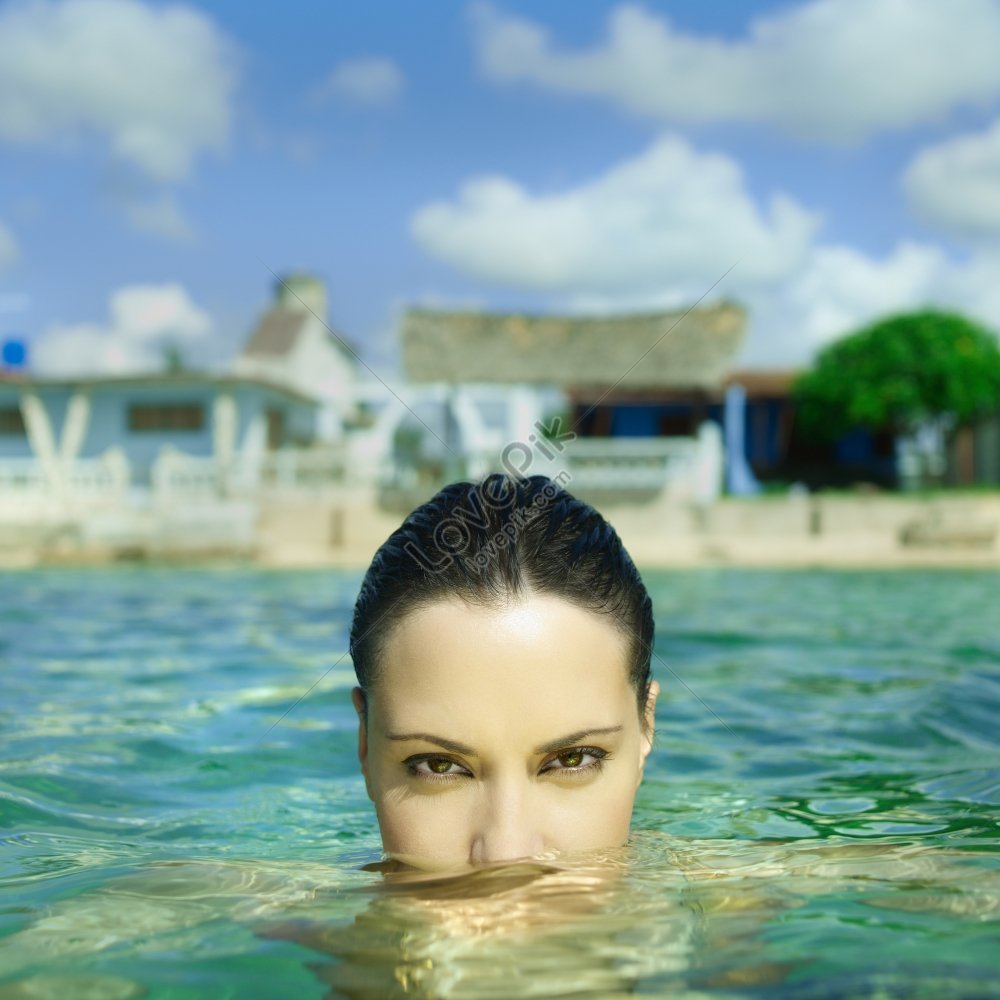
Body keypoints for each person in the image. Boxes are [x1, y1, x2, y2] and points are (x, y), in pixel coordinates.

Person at [349, 472, 660, 871]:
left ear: (645, 730)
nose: (506, 856)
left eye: (573, 760)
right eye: (437, 765)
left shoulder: (738, 916)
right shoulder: (266, 916)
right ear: (365, 747)